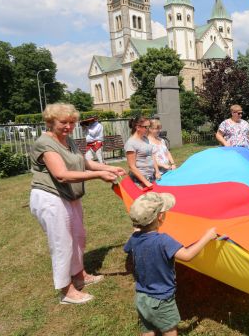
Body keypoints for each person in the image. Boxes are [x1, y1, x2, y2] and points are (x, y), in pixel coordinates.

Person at [29, 103, 126, 304]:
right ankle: (67, 291)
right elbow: (61, 175)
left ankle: (79, 276)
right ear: (50, 122)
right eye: (63, 122)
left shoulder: (68, 140)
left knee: (78, 237)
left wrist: (109, 167)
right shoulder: (44, 143)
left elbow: (86, 163)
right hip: (50, 197)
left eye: (72, 122)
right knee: (62, 243)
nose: (68, 126)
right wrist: (99, 175)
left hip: (69, 197)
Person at [124, 192, 217, 336]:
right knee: (170, 331)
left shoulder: (134, 238)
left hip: (141, 297)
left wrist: (136, 231)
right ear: (161, 217)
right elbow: (187, 255)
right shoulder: (163, 241)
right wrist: (207, 237)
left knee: (148, 330)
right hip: (162, 300)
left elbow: (128, 248)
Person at [126, 116, 160, 189]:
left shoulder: (145, 139)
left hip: (151, 177)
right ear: (138, 127)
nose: (148, 129)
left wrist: (157, 171)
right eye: (146, 127)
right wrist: (146, 182)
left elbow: (151, 155)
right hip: (140, 181)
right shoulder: (131, 143)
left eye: (149, 126)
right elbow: (132, 166)